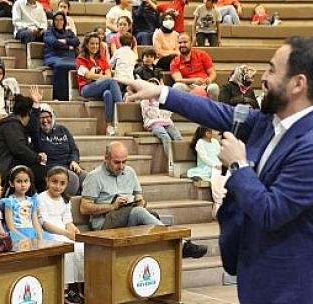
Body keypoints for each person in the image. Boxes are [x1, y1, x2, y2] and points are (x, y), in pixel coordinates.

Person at [121, 36, 313, 304]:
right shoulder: (275, 119)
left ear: (298, 83)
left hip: (296, 288)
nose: (264, 77)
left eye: (272, 69)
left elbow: (272, 212)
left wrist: (239, 166)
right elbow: (222, 114)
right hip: (276, 281)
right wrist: (161, 93)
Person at [80, 140, 208, 257]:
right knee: (139, 213)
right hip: (105, 222)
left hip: (128, 214)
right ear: (106, 158)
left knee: (151, 215)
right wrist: (112, 206)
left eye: (124, 162)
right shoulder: (94, 177)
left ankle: (169, 252)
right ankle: (181, 245)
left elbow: (139, 196)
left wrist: (141, 202)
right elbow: (84, 208)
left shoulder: (130, 172)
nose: (121, 166)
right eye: (117, 162)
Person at [37, 166, 84, 304]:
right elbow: (45, 224)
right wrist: (66, 234)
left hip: (64, 232)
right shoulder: (41, 198)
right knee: (67, 250)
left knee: (82, 247)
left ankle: (81, 284)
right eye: (54, 182)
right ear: (47, 181)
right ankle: (65, 289)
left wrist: (74, 230)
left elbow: (68, 221)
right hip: (49, 234)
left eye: (62, 183)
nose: (58, 186)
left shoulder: (65, 200)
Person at [0, 94, 47, 191]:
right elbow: (19, 149)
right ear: (28, 113)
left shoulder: (16, 125)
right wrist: (37, 158)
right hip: (3, 167)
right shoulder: (12, 125)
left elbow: (34, 131)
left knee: (40, 170)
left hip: (10, 164)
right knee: (40, 172)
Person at [33, 103, 85, 195]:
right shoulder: (36, 134)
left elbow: (74, 149)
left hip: (68, 165)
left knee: (86, 177)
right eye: (41, 118)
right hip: (52, 168)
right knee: (73, 180)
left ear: (52, 116)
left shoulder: (62, 130)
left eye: (47, 117)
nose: (45, 120)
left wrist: (74, 161)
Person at [76, 32, 122, 136]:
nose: (95, 46)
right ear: (86, 45)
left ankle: (109, 126)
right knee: (111, 81)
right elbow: (88, 76)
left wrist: (100, 77)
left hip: (101, 88)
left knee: (108, 94)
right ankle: (122, 107)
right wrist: (103, 77)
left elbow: (108, 74)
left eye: (97, 44)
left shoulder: (102, 59)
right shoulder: (80, 59)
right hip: (86, 88)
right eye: (92, 43)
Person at [140, 82, 183, 174]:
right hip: (153, 123)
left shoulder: (163, 99)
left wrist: (159, 107)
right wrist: (152, 103)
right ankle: (172, 162)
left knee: (177, 136)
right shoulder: (145, 100)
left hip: (167, 122)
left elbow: (169, 113)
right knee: (165, 137)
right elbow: (151, 115)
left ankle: (181, 160)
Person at [1, 165, 48, 243]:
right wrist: (24, 239)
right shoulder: (9, 201)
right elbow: (10, 227)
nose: (23, 185)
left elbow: (35, 222)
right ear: (11, 183)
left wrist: (39, 236)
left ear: (30, 183)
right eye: (19, 181)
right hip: (17, 234)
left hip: (32, 232)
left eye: (26, 181)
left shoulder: (32, 201)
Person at [187, 125, 226, 215]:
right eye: (213, 130)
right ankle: (218, 201)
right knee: (217, 174)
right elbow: (204, 158)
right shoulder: (200, 143)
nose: (216, 132)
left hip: (218, 164)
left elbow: (220, 154)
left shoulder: (215, 141)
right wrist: (214, 165)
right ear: (207, 133)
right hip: (206, 166)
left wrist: (222, 163)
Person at [170, 33, 219, 100]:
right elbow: (178, 80)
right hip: (188, 86)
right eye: (180, 43)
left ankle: (213, 106)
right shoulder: (174, 61)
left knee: (214, 87)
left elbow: (213, 73)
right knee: (177, 86)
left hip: (204, 85)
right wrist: (194, 80)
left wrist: (210, 79)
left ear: (191, 43)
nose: (182, 45)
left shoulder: (202, 54)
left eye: (185, 42)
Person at [43, 11, 79, 102]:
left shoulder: (69, 32)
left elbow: (76, 41)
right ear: (53, 21)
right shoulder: (49, 32)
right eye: (56, 20)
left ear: (64, 21)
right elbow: (54, 43)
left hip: (69, 57)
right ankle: (59, 96)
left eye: (61, 20)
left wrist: (65, 41)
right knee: (61, 65)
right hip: (53, 56)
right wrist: (68, 47)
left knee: (79, 66)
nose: (59, 22)